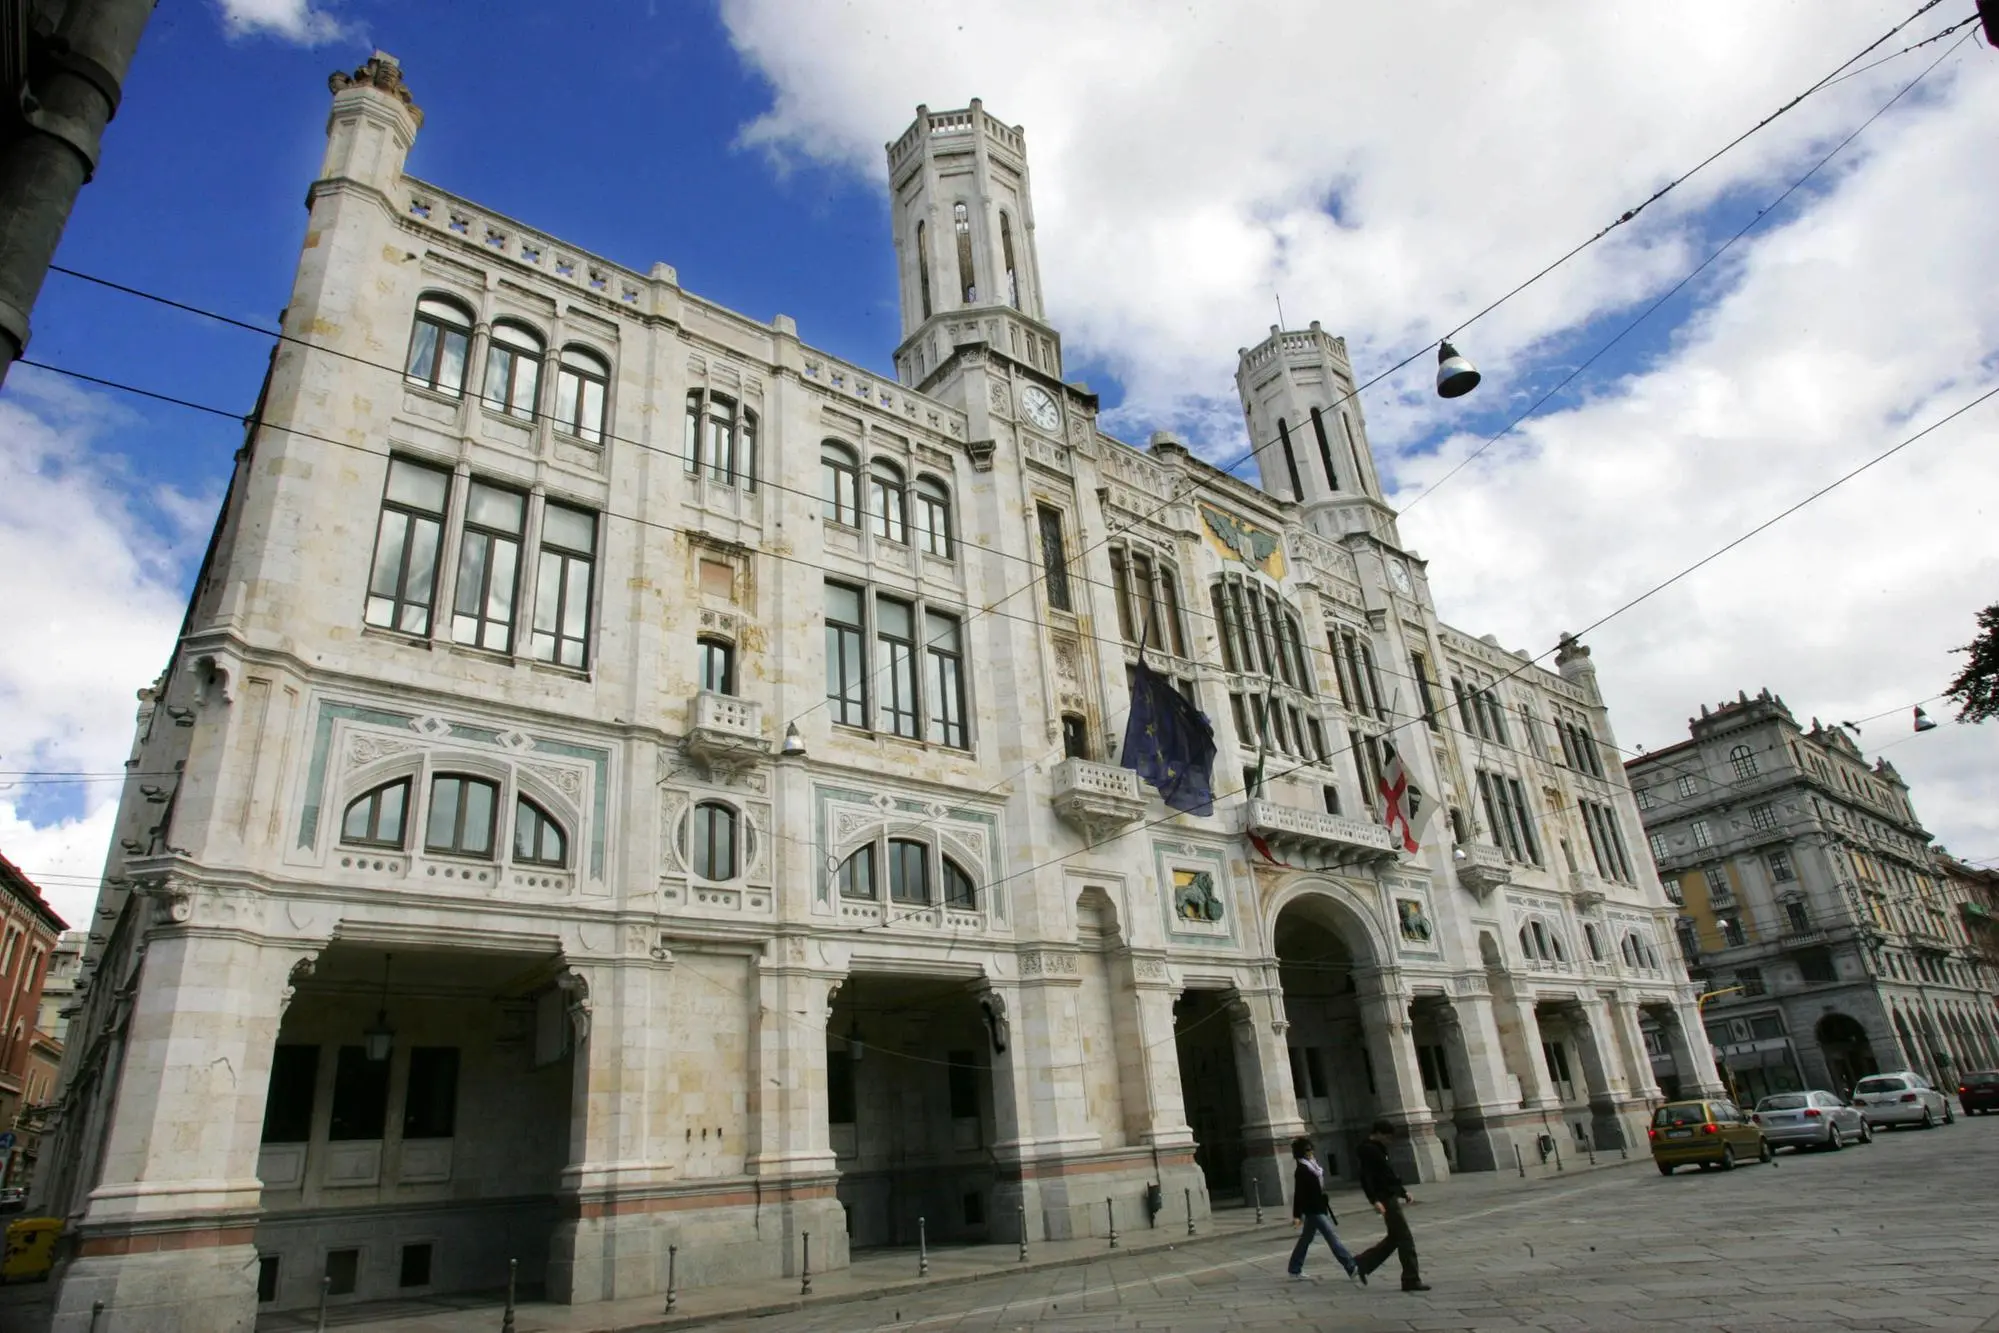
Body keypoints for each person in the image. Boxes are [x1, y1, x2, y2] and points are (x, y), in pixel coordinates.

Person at [1353, 1118, 1429, 1292]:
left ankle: (1363, 1262)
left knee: (1395, 1237)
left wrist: (1402, 1192)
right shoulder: (1369, 1150)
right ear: (1378, 1133)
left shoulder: (1378, 1148)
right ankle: (1410, 1279)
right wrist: (1375, 1200)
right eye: (1387, 1137)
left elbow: (1387, 1174)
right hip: (1385, 1198)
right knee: (1405, 1239)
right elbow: (1367, 1177)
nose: (1389, 1140)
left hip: (1389, 1195)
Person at [1285, 1136, 1359, 1283]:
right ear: (1301, 1152)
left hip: (1319, 1207)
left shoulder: (1313, 1166)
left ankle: (1294, 1268)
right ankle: (1350, 1266)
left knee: (1306, 1239)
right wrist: (1297, 1215)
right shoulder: (1302, 1170)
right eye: (1307, 1150)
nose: (1310, 1152)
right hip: (1313, 1210)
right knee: (1332, 1237)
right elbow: (1299, 1194)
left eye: (1311, 1148)